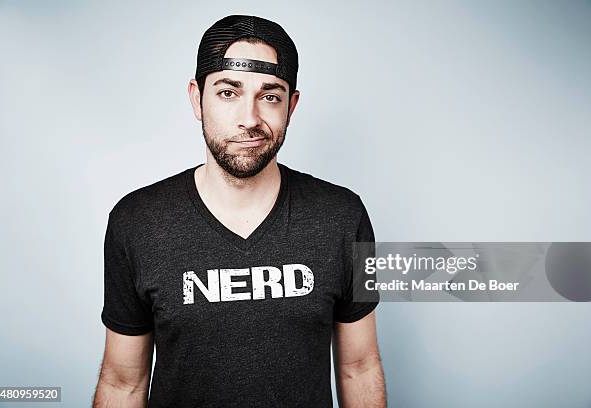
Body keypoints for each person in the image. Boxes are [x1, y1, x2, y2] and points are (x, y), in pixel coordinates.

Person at [93, 14, 386, 408]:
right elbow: (121, 383)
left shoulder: (346, 217)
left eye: (270, 96)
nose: (250, 119)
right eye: (228, 93)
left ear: (291, 106)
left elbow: (360, 366)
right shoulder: (135, 222)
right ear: (197, 98)